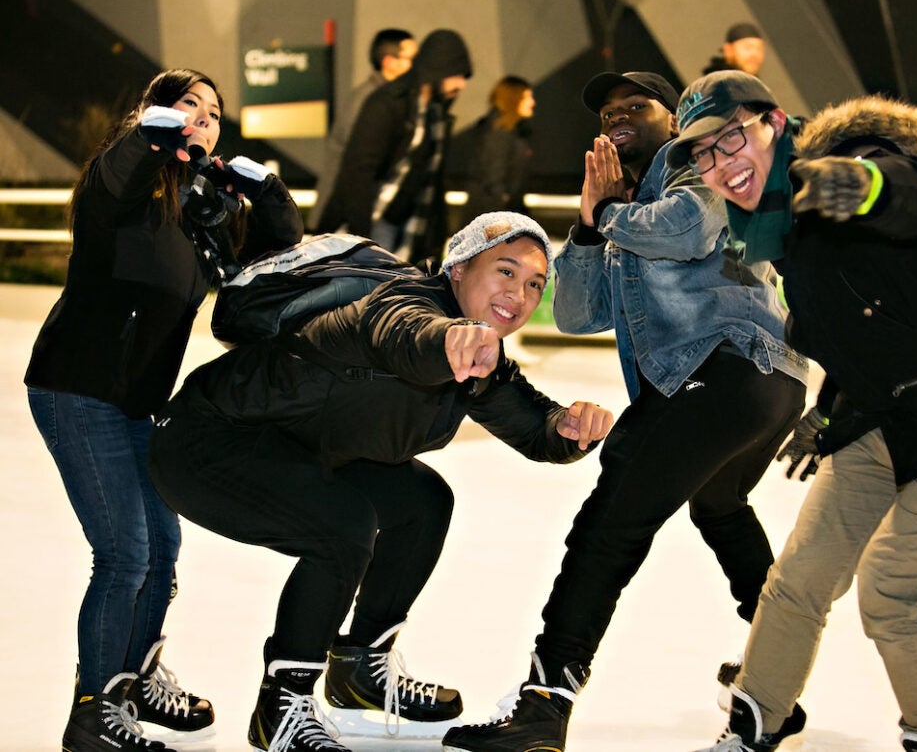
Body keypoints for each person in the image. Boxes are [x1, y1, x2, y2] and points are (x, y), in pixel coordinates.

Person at [666, 71, 917, 752]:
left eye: (731, 136)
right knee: (798, 573)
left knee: (892, 591)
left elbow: (909, 192)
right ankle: (757, 721)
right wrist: (827, 411)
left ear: (772, 123)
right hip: (888, 412)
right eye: (703, 153)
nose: (721, 162)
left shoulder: (854, 162)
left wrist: (862, 187)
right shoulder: (774, 235)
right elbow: (866, 328)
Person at [146, 211, 615, 752]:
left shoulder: (482, 354)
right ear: (458, 269)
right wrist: (448, 341)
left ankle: (361, 668)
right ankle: (283, 704)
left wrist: (569, 427)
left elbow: (536, 429)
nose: (521, 294)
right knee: (343, 528)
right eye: (505, 272)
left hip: (295, 448)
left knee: (423, 502)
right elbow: (401, 333)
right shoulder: (400, 302)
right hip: (207, 443)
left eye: (535, 284)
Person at [442, 71, 809, 752]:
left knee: (606, 531)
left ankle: (543, 707)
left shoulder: (689, 162)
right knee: (720, 506)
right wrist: (587, 227)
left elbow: (691, 228)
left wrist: (606, 214)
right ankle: (773, 685)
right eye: (607, 109)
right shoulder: (627, 214)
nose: (616, 116)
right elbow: (580, 313)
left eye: (634, 106)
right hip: (766, 386)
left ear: (675, 121)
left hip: (720, 368)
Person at [24, 68, 304, 752]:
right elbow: (118, 171)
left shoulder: (198, 212)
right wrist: (152, 134)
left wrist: (262, 190)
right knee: (124, 553)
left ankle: (136, 676)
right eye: (189, 105)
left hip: (139, 400)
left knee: (163, 548)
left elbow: (281, 247)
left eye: (213, 111)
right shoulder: (117, 189)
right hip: (78, 387)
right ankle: (95, 711)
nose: (204, 118)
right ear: (152, 113)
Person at [314, 28, 473, 267]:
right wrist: (360, 239)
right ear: (439, 68)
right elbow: (358, 170)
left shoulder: (433, 114)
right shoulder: (384, 102)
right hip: (372, 222)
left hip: (402, 224)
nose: (461, 84)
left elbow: (431, 181)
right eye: (457, 74)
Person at [309, 28, 416, 233]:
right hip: (343, 215)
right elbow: (357, 165)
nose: (417, 66)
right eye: (411, 58)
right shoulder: (370, 100)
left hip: (353, 211)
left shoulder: (391, 99)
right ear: (389, 62)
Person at [457, 75, 535, 222]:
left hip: (504, 213)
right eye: (527, 97)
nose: (532, 103)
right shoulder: (497, 133)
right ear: (513, 99)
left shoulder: (514, 132)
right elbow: (493, 181)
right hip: (494, 217)